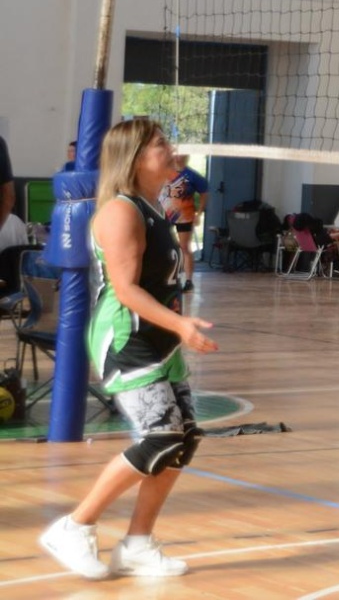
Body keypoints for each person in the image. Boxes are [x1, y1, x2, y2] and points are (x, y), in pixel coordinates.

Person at [39, 119, 218, 580]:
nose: (171, 149)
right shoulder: (121, 211)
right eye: (160, 144)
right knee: (161, 438)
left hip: (160, 339)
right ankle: (74, 526)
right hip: (127, 338)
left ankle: (138, 544)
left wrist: (176, 327)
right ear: (136, 158)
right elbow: (125, 289)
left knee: (183, 440)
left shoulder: (155, 208)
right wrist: (180, 323)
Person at [158, 155, 208, 293]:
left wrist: (199, 212)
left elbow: (204, 192)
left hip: (184, 216)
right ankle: (163, 278)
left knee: (184, 247)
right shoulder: (162, 172)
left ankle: (188, 281)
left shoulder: (191, 175)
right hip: (164, 215)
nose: (177, 157)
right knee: (163, 246)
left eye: (181, 154)